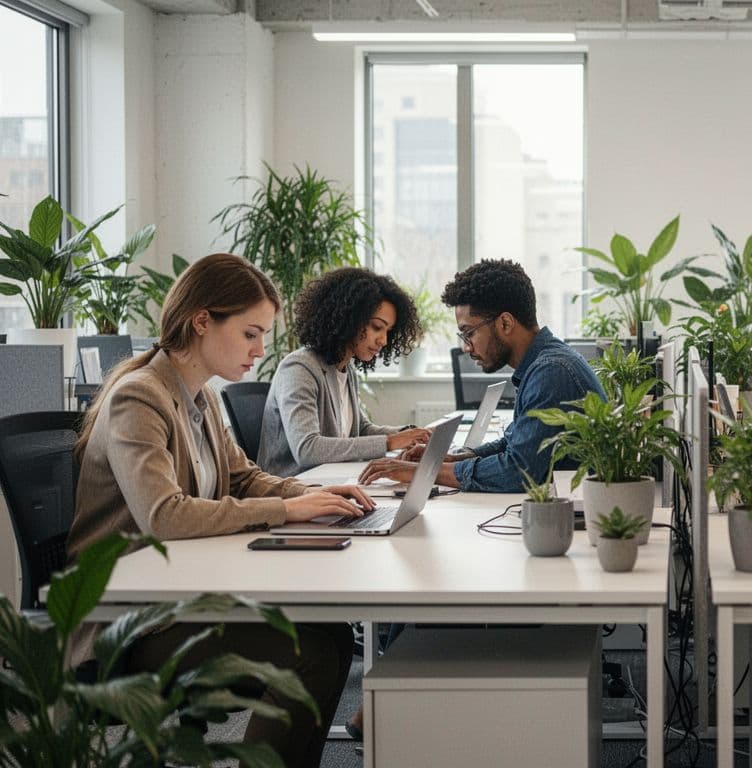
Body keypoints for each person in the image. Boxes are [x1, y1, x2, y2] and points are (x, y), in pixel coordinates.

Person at [67, 253, 376, 768]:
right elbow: (163, 515)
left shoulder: (201, 396)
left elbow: (242, 476)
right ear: (203, 320)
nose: (259, 351)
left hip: (175, 595)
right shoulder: (139, 398)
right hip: (127, 626)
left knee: (333, 636)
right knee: (313, 654)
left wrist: (310, 497)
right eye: (251, 334)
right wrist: (282, 510)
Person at [359, 259, 605, 491]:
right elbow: (514, 444)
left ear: (505, 323)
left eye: (469, 333)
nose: (466, 347)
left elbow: (518, 471)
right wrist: (453, 458)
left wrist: (422, 472)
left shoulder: (551, 373)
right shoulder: (544, 363)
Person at [257, 267, 431, 477]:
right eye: (377, 327)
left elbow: (361, 429)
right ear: (349, 318)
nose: (383, 340)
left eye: (388, 332)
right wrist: (390, 442)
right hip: (295, 489)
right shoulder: (299, 368)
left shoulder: (345, 368)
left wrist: (411, 434)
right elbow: (307, 449)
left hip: (332, 483)